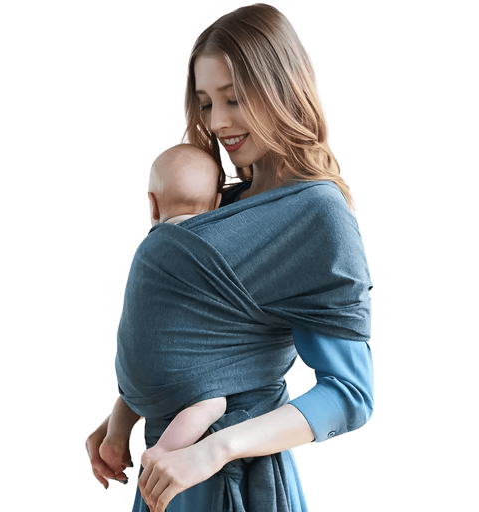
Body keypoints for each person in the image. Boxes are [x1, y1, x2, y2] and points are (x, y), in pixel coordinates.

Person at [86, 4, 374, 512]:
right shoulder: (221, 202)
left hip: (233, 477)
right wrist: (124, 413)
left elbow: (350, 396)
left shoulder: (318, 215)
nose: (217, 123)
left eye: (234, 100)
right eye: (204, 104)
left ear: (282, 90)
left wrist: (216, 450)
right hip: (167, 471)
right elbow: (184, 338)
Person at [86, 143, 227, 486]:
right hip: (184, 375)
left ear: (152, 204)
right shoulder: (216, 248)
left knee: (136, 390)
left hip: (133, 373)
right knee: (213, 404)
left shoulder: (149, 248)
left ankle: (114, 439)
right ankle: (162, 452)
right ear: (218, 204)